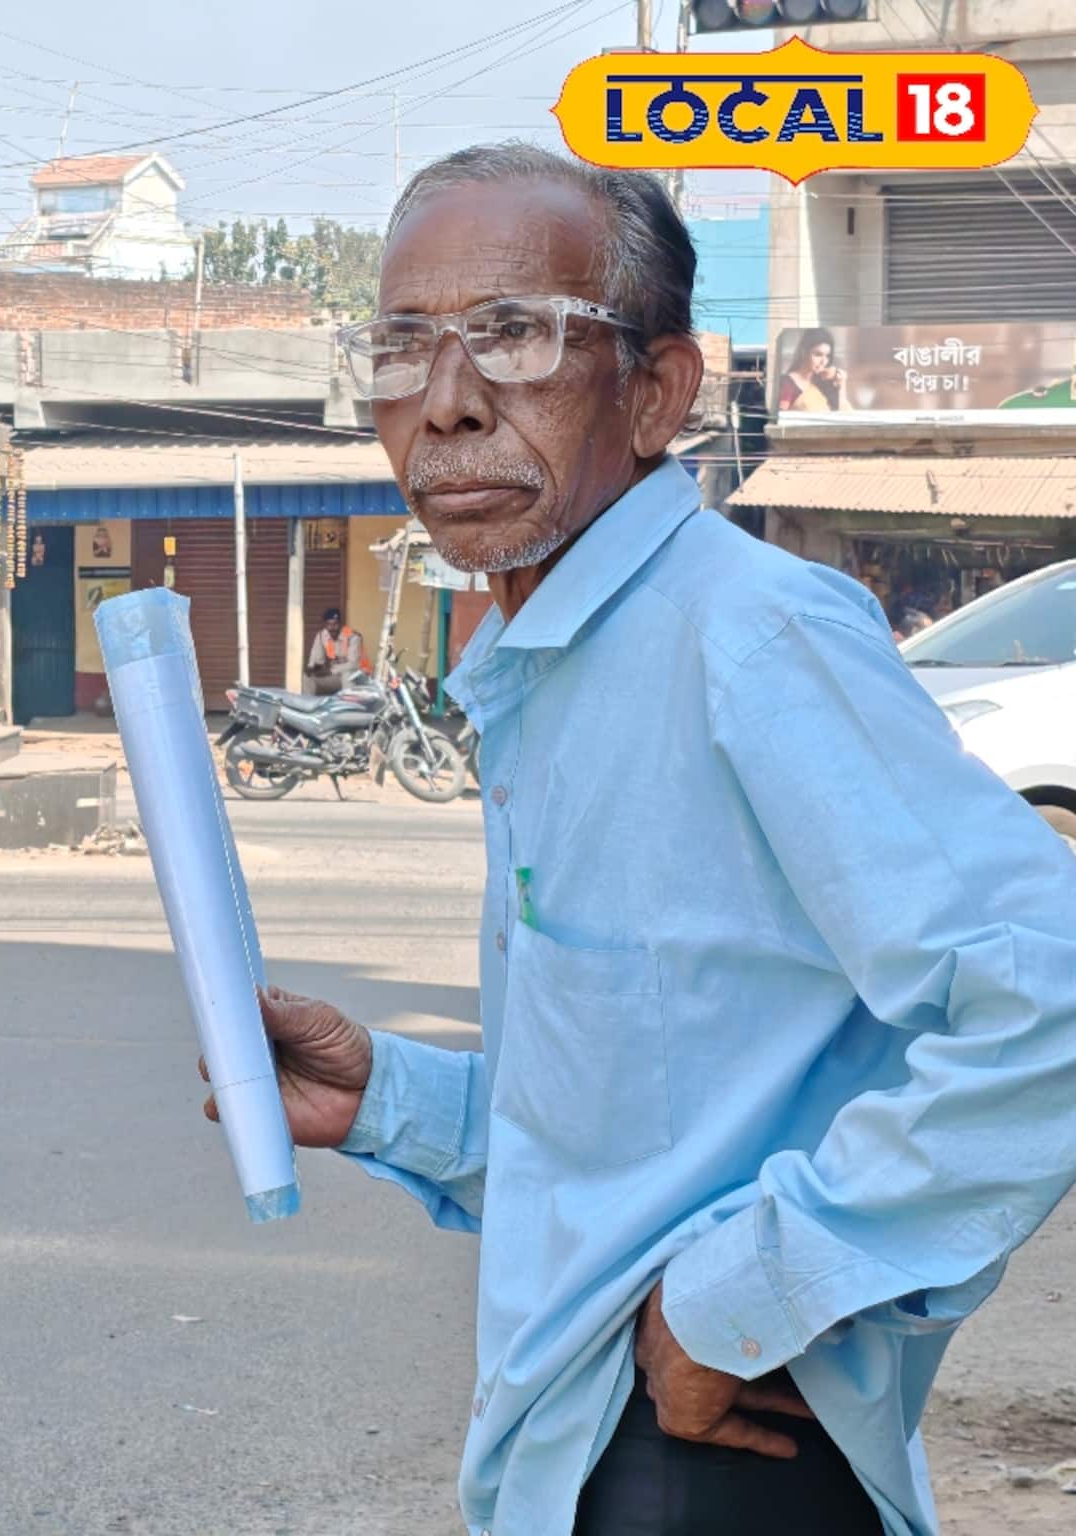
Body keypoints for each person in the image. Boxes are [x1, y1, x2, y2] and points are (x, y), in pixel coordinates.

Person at [275, 143, 1076, 1536]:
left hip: (702, 1460)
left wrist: (744, 1296)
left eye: (513, 338)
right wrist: (385, 1102)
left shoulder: (747, 634)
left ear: (657, 390)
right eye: (402, 350)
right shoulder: (550, 659)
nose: (447, 405)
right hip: (586, 1439)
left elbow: (1046, 999)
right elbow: (647, 1115)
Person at [779, 326, 845, 412]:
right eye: (818, 354)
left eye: (827, 356)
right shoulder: (788, 383)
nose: (824, 361)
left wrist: (841, 384)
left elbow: (844, 415)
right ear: (804, 352)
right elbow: (781, 418)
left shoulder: (822, 383)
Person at [303, 606, 363, 694]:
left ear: (341, 624)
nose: (332, 628)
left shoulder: (353, 637)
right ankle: (310, 705)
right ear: (325, 625)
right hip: (336, 677)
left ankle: (348, 706)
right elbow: (317, 661)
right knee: (306, 677)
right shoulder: (322, 635)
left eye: (335, 624)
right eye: (329, 624)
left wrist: (330, 671)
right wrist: (312, 668)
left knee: (347, 674)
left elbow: (353, 664)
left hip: (357, 678)